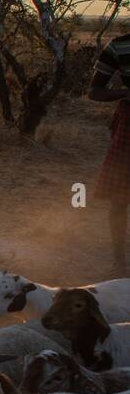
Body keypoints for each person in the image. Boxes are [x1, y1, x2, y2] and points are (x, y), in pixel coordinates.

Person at [88, 33, 130, 275]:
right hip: (129, 125)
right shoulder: (118, 46)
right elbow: (94, 91)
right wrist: (123, 94)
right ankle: (119, 261)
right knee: (120, 198)